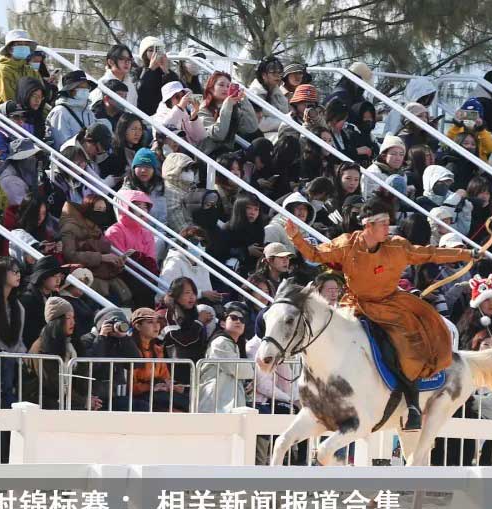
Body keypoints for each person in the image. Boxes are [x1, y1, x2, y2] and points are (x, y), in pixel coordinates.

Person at [286, 195, 474, 430]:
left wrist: (465, 254)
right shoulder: (346, 244)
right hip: (354, 305)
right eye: (383, 224)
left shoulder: (396, 246)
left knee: (405, 346)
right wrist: (296, 237)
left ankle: (412, 403)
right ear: (368, 225)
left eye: (388, 223)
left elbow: (428, 253)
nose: (388, 228)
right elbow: (315, 255)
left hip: (390, 305)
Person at [197, 301, 254, 413]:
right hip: (215, 403)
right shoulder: (220, 342)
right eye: (233, 318)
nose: (238, 321)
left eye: (242, 320)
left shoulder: (234, 344)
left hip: (226, 403)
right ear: (223, 323)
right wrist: (252, 369)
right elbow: (238, 369)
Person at [199, 71, 260, 155]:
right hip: (209, 155)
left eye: (228, 86)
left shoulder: (231, 107)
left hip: (228, 154)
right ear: (211, 88)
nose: (225, 89)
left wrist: (244, 101)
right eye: (221, 85)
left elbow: (252, 128)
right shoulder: (203, 109)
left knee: (260, 144)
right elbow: (218, 135)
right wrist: (227, 106)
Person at [46, 70, 99, 150]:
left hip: (88, 159)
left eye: (87, 87)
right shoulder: (60, 112)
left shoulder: (88, 112)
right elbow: (62, 145)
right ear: (69, 91)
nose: (85, 90)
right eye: (80, 87)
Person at [0, 29, 41, 105]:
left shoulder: (30, 69)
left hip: (33, 109)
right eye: (20, 44)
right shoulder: (2, 70)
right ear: (10, 49)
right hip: (9, 113)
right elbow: (10, 99)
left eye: (26, 44)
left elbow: (41, 92)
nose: (24, 47)